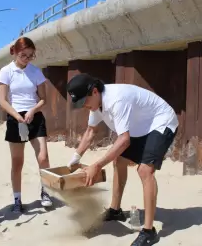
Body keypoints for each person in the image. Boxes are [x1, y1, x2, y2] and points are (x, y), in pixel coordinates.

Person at [66, 73, 178, 246]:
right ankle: (115, 210)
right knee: (119, 160)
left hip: (160, 121)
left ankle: (149, 231)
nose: (85, 107)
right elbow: (90, 132)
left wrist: (97, 165)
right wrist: (76, 157)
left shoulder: (116, 100)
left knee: (145, 170)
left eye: (85, 102)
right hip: (139, 127)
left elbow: (124, 140)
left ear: (94, 91)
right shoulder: (96, 105)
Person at [0, 37, 53, 213]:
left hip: (34, 116)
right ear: (14, 52)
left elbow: (44, 98)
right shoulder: (6, 71)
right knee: (17, 161)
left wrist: (32, 111)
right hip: (16, 118)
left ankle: (46, 191)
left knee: (43, 157)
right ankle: (17, 199)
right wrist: (16, 115)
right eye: (23, 55)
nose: (27, 59)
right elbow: (3, 101)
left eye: (30, 55)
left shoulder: (36, 72)